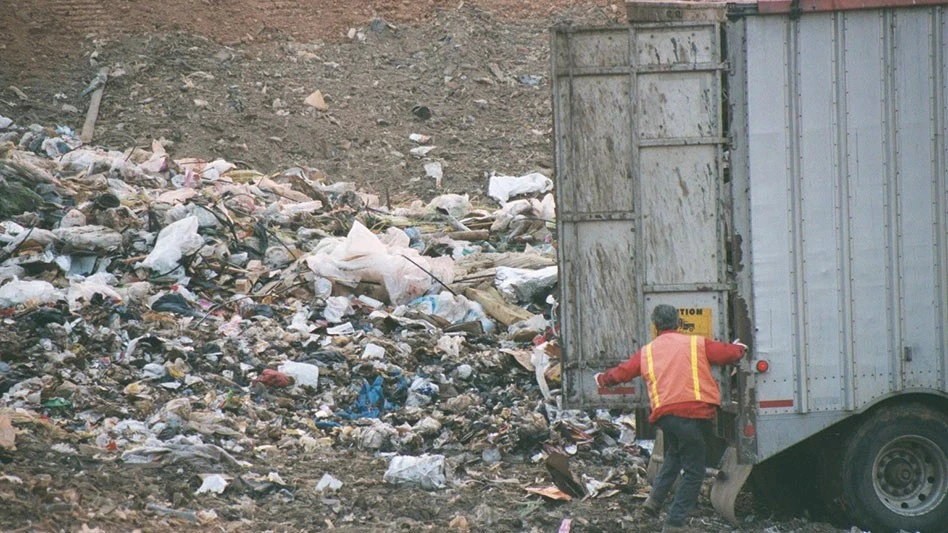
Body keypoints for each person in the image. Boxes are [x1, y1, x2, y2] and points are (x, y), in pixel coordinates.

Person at [595, 304, 747, 533]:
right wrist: (740, 349)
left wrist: (602, 379)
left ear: (655, 327)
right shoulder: (696, 343)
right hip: (694, 414)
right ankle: (675, 523)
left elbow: (624, 371)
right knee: (695, 471)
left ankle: (653, 502)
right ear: (678, 323)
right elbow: (726, 354)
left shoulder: (647, 351)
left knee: (674, 456)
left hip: (666, 416)